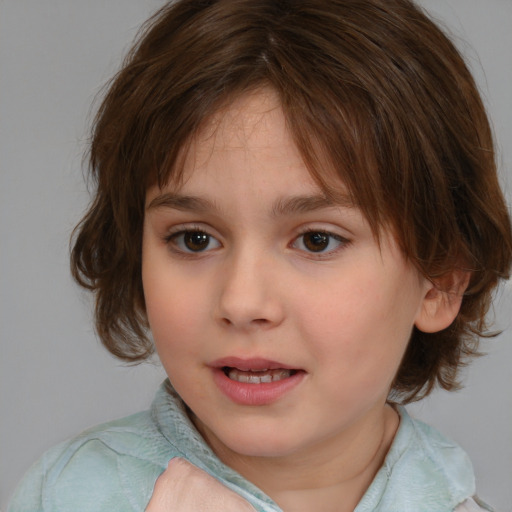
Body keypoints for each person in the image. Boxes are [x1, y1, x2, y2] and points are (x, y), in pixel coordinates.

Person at [8, 0, 512, 510]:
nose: (243, 301)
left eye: (317, 240)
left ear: (441, 279)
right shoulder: (64, 496)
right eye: (194, 239)